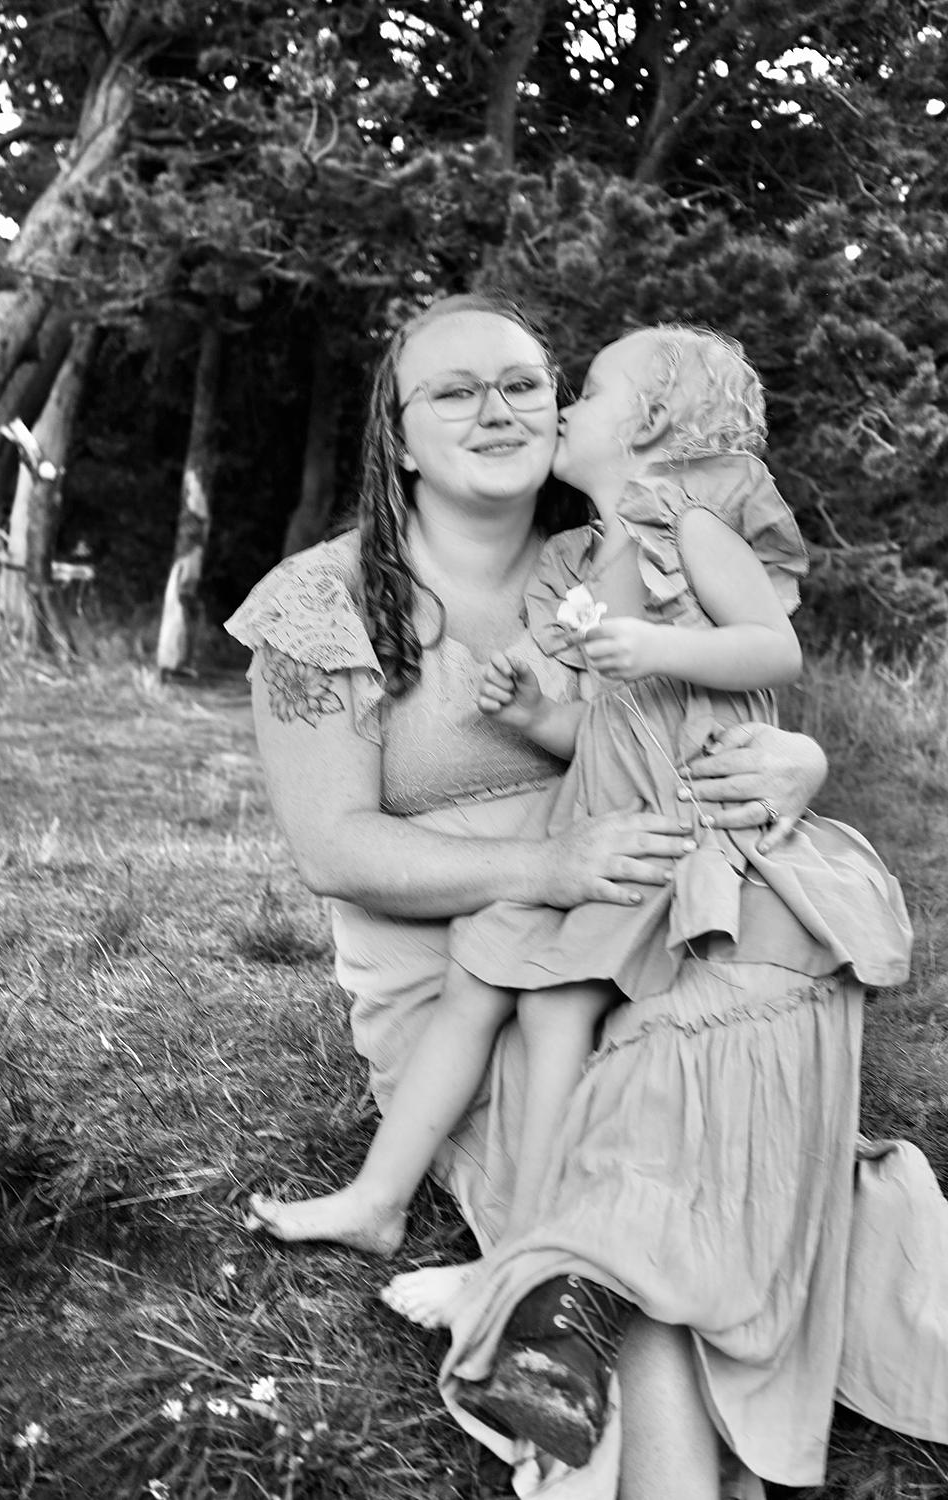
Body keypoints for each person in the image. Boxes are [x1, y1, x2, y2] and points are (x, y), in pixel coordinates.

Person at [225, 294, 946, 1500]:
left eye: (523, 383)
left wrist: (798, 760)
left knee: (692, 1125)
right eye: (455, 390)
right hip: (467, 972)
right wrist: (548, 869)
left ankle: (576, 1304)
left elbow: (713, 698)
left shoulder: (607, 552)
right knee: (653, 1163)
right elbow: (334, 850)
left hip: (660, 921)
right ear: (397, 436)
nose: (498, 410)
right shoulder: (323, 600)